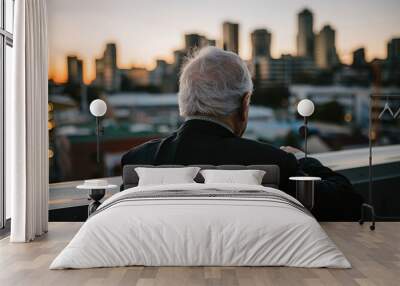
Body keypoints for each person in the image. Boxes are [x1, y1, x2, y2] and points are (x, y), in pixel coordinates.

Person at [121, 47, 362, 221]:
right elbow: (349, 203)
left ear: (183, 101)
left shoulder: (138, 160)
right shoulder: (273, 163)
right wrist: (302, 159)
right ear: (245, 103)